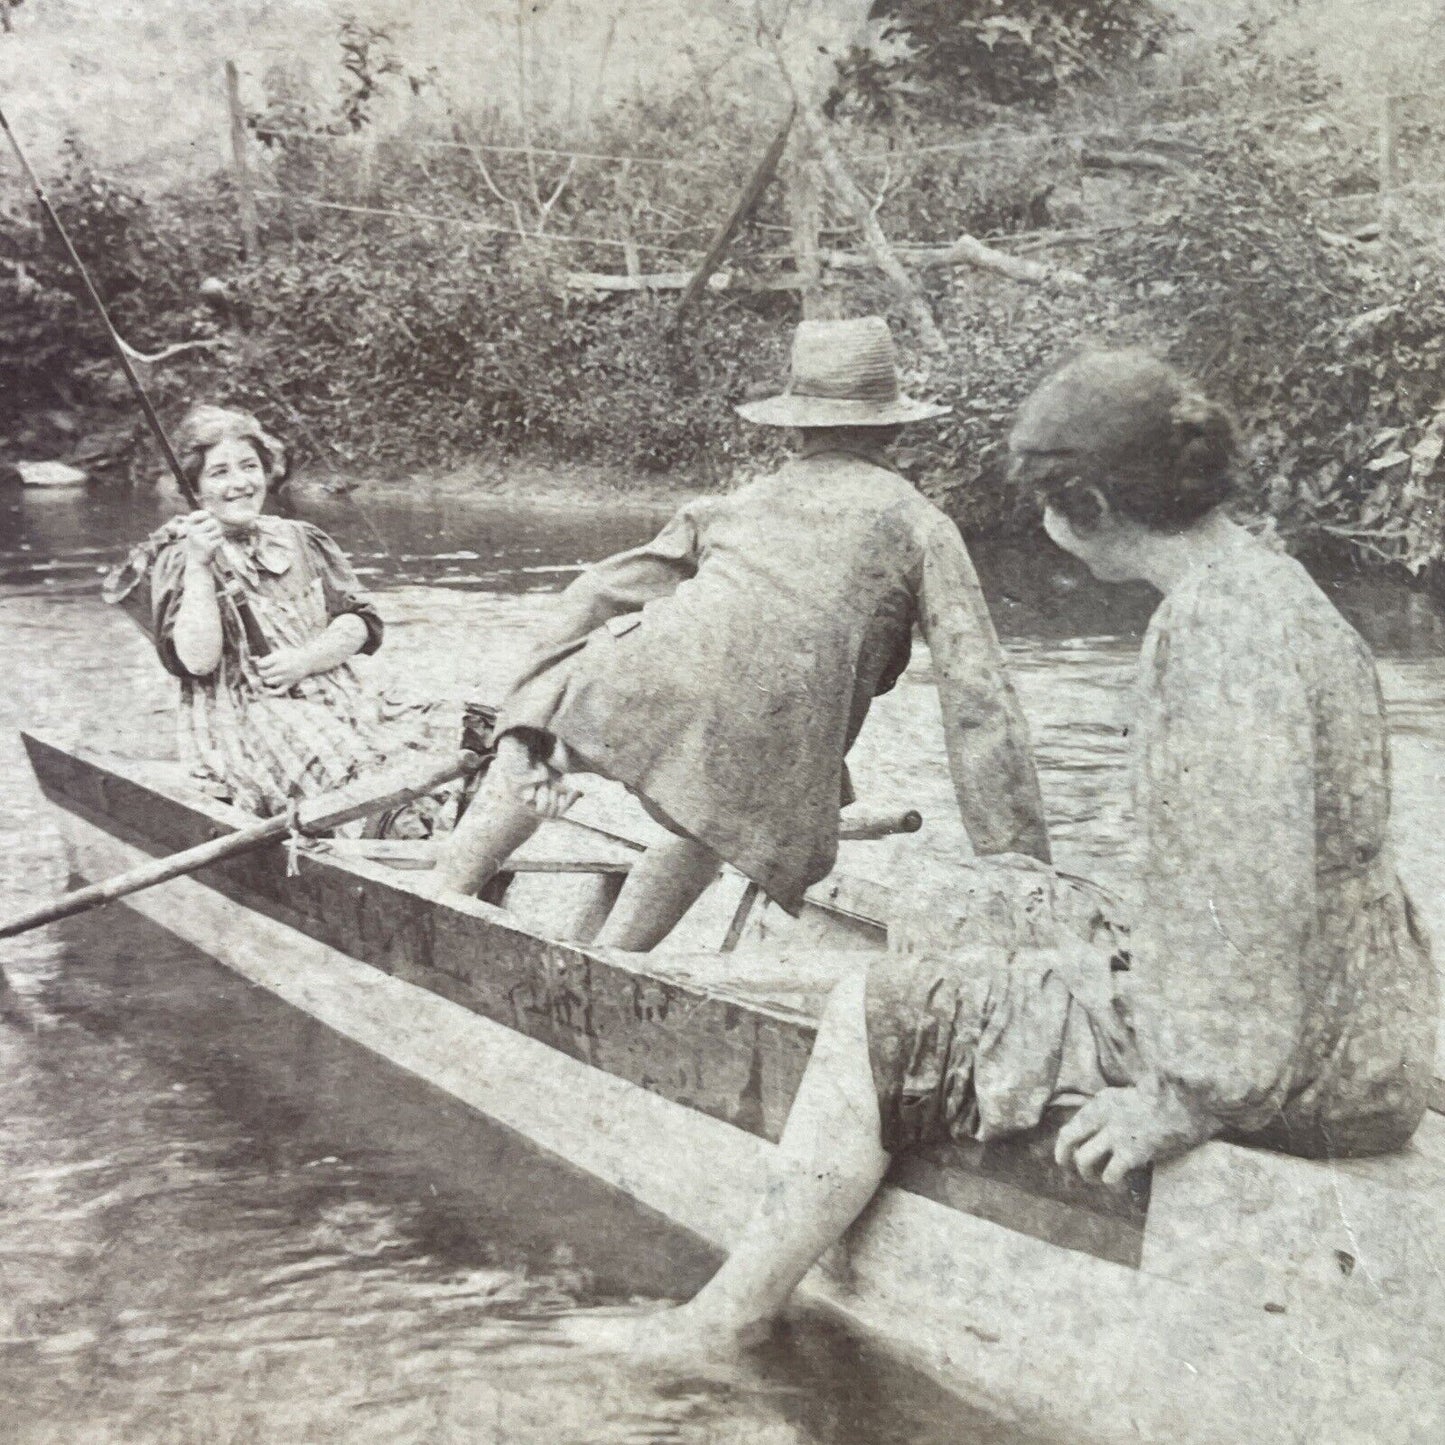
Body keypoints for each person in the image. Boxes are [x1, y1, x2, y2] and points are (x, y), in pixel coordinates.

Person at [573, 348, 1439, 1364]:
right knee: (972, 908)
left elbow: (1243, 901)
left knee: (873, 1009)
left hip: (1295, 1064)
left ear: (1086, 503)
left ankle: (722, 1319)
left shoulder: (1212, 641)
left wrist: (1184, 1096)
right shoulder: (1273, 587)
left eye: (1045, 502)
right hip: (1367, 1020)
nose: (1040, 524)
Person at [436, 316, 1051, 948]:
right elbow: (978, 699)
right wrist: (1018, 863)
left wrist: (523, 718)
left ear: (795, 430)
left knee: (552, 753)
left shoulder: (735, 503)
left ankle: (441, 896)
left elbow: (597, 593)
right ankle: (612, 959)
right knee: (720, 816)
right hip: (773, 731)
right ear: (893, 429)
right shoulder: (923, 524)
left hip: (639, 680)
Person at [104, 404, 451, 825]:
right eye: (219, 473)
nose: (240, 483)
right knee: (361, 778)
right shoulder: (179, 558)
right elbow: (197, 661)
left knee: (455, 730)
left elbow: (360, 621)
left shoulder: (301, 539)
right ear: (194, 489)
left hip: (341, 697)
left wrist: (305, 660)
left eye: (249, 467)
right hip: (250, 717)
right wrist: (199, 566)